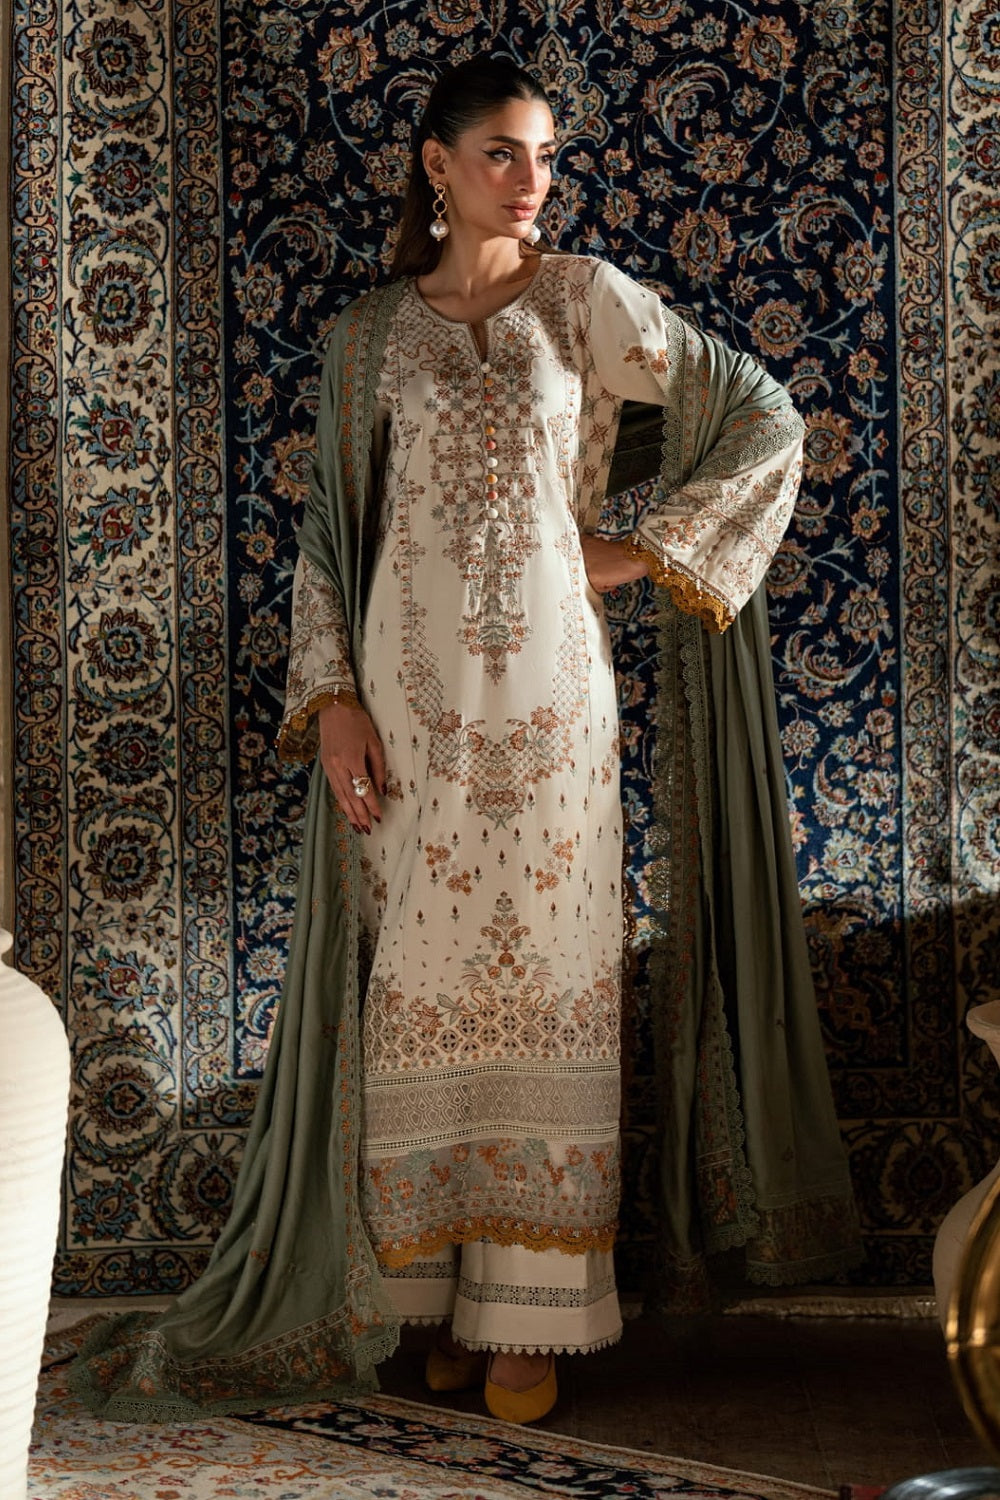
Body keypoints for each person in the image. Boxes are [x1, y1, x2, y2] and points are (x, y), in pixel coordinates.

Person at [73, 53, 861, 1428]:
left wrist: (638, 553)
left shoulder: (587, 302)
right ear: (437, 165)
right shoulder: (369, 338)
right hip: (411, 712)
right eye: (503, 152)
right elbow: (331, 540)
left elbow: (762, 420)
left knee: (549, 983)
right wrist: (334, 701)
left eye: (546, 154)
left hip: (552, 716)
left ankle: (532, 1322)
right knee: (417, 997)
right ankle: (435, 1302)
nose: (531, 179)